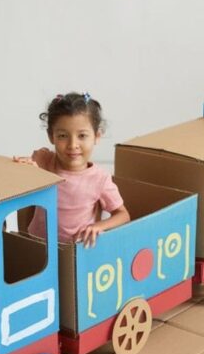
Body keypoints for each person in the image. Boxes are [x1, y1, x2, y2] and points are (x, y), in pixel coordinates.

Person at [14, 92, 130, 247]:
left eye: (82, 136)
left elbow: (123, 215)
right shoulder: (43, 160)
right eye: (62, 136)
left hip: (74, 251)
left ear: (97, 136)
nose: (72, 145)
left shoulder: (100, 179)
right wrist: (24, 166)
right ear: (51, 136)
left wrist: (97, 226)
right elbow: (21, 179)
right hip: (37, 245)